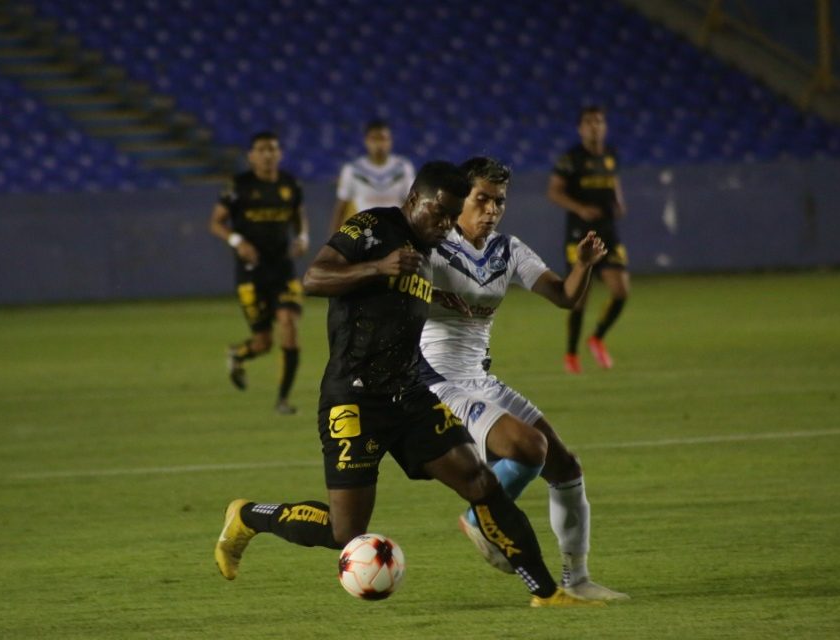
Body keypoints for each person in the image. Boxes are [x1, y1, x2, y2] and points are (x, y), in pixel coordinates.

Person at [215, 161, 601, 608]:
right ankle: (247, 516)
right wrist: (379, 267)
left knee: (480, 482)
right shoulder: (373, 227)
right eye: (440, 213)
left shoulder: (435, 249)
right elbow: (314, 278)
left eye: (452, 216)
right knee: (345, 531)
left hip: (410, 394)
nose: (445, 224)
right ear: (415, 199)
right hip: (354, 397)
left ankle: (547, 592)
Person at [420, 156, 628, 601]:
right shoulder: (433, 247)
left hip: (479, 380)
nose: (492, 209)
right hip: (438, 383)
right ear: (460, 200)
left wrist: (584, 264)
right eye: (482, 199)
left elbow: (565, 296)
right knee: (528, 447)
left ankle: (577, 580)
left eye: (499, 201)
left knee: (566, 467)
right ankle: (480, 518)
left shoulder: (507, 250)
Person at [209, 131, 308, 415]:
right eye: (262, 150)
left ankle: (282, 400)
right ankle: (237, 354)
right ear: (251, 156)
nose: (268, 155)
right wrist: (237, 241)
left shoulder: (290, 184)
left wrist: (302, 237)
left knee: (288, 323)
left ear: (280, 154)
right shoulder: (238, 186)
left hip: (283, 270)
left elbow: (299, 217)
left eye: (272, 149)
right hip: (251, 274)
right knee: (263, 342)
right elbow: (216, 222)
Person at [547, 106, 630, 372]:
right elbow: (554, 192)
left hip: (608, 231)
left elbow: (613, 181)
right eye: (589, 122)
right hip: (580, 235)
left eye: (599, 122)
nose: (595, 126)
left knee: (621, 290)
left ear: (605, 127)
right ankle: (571, 354)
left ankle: (597, 338)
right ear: (580, 128)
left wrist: (619, 201)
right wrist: (580, 208)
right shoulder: (571, 159)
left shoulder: (610, 154)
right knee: (579, 297)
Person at [328, 119, 416, 233]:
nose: (379, 144)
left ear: (390, 141)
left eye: (383, 139)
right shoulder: (352, 170)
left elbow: (412, 205)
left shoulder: (404, 168)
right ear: (366, 141)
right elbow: (341, 209)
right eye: (374, 139)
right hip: (364, 233)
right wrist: (333, 239)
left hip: (396, 233)